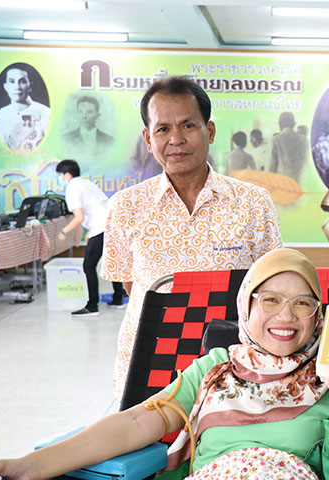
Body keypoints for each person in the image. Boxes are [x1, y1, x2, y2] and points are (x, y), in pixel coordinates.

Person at [0, 249, 329, 480]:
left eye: (303, 303)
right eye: (270, 300)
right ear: (245, 308)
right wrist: (30, 466)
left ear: (319, 317)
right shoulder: (214, 370)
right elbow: (135, 422)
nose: (286, 316)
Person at [101, 76, 282, 401]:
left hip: (233, 361)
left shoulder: (253, 202)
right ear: (148, 139)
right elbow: (131, 285)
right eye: (163, 129)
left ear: (209, 131)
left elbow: (272, 284)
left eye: (188, 126)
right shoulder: (125, 207)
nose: (176, 139)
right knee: (150, 434)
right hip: (150, 358)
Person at [56, 159, 126, 316]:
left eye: (60, 174)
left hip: (101, 227)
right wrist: (90, 232)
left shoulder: (72, 187)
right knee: (112, 261)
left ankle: (92, 306)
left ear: (67, 175)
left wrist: (64, 231)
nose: (60, 178)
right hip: (111, 224)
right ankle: (118, 299)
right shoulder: (86, 183)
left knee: (89, 266)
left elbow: (79, 217)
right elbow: (98, 206)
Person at [0, 67, 50, 152]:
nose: (17, 87)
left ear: (30, 86)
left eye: (22, 82)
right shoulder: (2, 113)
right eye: (12, 81)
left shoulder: (45, 112)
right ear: (6, 87)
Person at [270, 112, 309, 182]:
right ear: (294, 124)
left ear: (279, 123)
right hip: (301, 184)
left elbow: (270, 168)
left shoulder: (275, 140)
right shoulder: (305, 140)